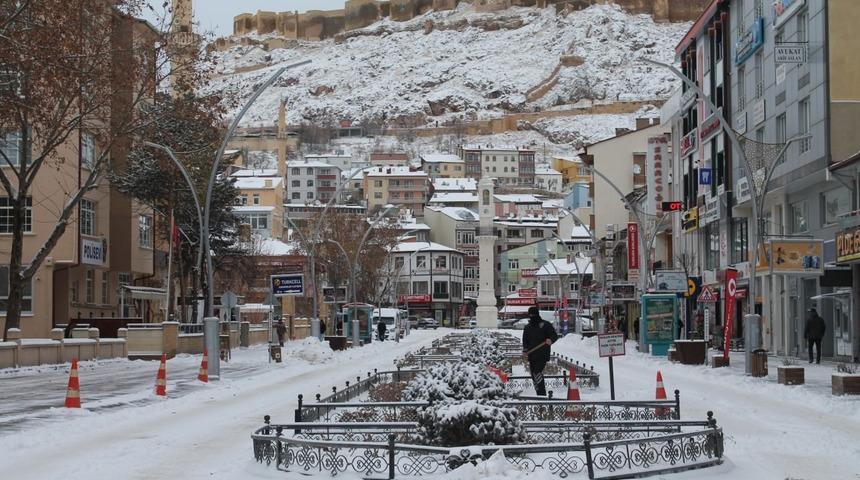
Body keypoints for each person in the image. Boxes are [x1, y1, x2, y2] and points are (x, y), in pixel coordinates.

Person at [522, 306, 559, 396]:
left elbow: (554, 335)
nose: (532, 316)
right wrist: (525, 350)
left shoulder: (545, 325)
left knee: (537, 372)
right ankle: (539, 393)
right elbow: (525, 340)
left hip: (543, 354)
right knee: (533, 375)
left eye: (533, 314)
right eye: (530, 315)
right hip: (532, 355)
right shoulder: (528, 327)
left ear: (537, 314)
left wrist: (550, 340)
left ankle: (542, 394)